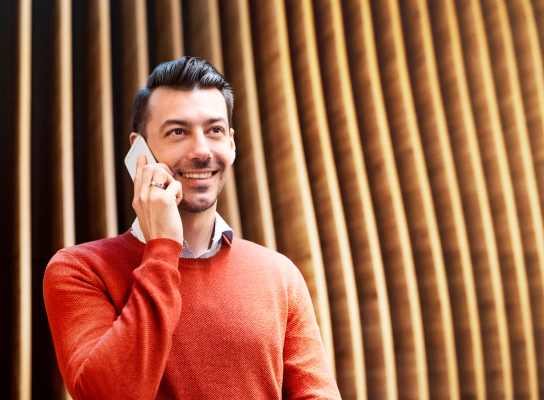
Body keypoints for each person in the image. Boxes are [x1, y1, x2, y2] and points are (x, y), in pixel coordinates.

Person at [43, 56, 341, 399]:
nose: (201, 151)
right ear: (139, 150)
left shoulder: (280, 275)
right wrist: (162, 249)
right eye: (178, 132)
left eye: (214, 130)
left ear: (230, 143)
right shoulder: (80, 270)